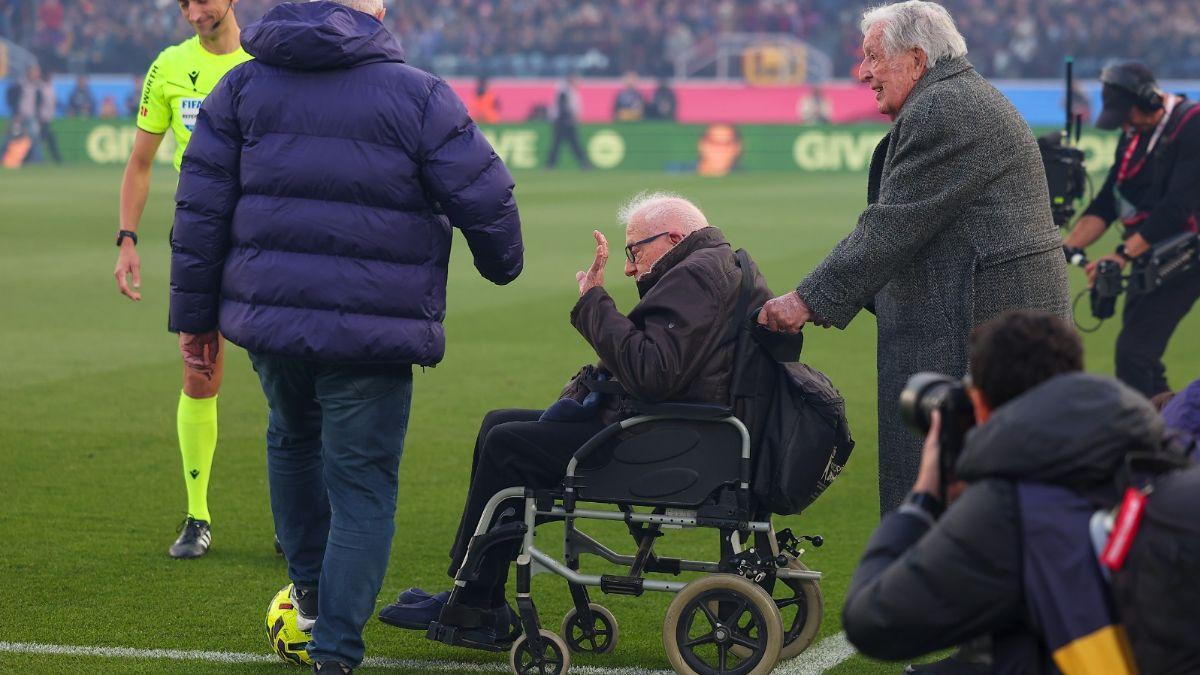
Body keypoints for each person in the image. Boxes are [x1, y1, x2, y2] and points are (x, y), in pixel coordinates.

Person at [168, 1, 523, 670]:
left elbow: (199, 208)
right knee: (362, 484)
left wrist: (194, 318)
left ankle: (307, 591)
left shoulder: (240, 87)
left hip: (273, 321)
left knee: (292, 440)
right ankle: (333, 651)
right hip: (373, 330)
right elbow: (486, 194)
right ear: (376, 11)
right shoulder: (418, 95)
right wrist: (502, 262)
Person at [377, 192, 772, 650]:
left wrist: (593, 303)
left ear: (673, 238)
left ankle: (475, 603)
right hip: (677, 428)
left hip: (660, 440)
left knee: (507, 443)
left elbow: (651, 372)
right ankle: (475, 591)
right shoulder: (720, 265)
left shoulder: (695, 275)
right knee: (498, 424)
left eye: (634, 251)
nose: (630, 268)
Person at [757, 0, 1070, 514]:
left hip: (975, 323)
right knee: (994, 492)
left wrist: (806, 301)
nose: (863, 73)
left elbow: (893, 226)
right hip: (987, 319)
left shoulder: (945, 108)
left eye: (873, 57)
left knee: (953, 495)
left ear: (917, 59)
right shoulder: (956, 97)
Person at [843, 310, 1159, 673]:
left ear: (980, 403)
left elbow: (872, 621)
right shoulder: (1156, 455)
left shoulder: (1009, 510)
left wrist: (924, 496)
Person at [111, 0, 252, 559]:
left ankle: (299, 517)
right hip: (198, 231)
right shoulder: (168, 66)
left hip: (264, 232)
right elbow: (141, 162)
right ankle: (197, 516)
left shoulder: (264, 62)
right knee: (199, 370)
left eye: (203, 0)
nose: (194, 12)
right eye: (185, 3)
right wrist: (127, 238)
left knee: (289, 372)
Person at [1063, 62, 1200, 399]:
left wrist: (1121, 255)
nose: (1124, 125)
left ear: (1149, 100)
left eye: (1127, 116)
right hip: (1151, 256)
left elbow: (1177, 208)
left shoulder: (1193, 125)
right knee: (1141, 360)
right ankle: (1172, 424)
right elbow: (1109, 200)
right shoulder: (1134, 134)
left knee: (1133, 355)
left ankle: (1155, 428)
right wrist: (1065, 246)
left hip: (1185, 257)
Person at [546, 73, 590, 169]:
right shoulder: (564, 91)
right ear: (571, 80)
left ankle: (550, 164)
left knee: (564, 144)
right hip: (564, 122)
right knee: (568, 144)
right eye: (577, 80)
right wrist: (570, 118)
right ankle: (584, 163)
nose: (579, 83)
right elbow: (563, 107)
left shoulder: (572, 92)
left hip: (566, 122)